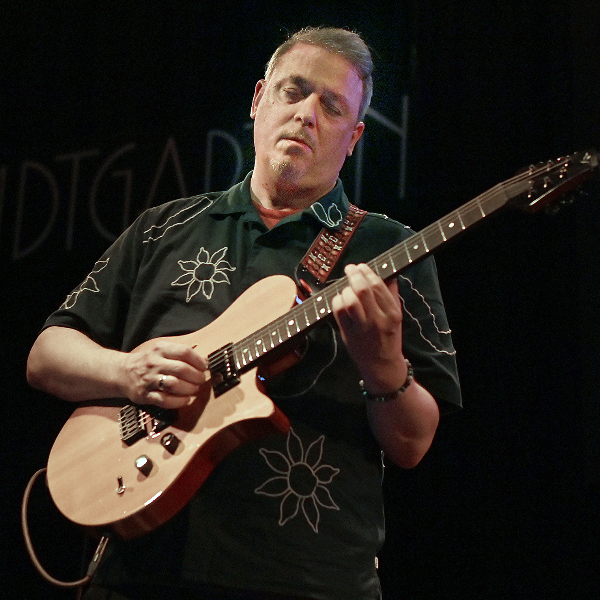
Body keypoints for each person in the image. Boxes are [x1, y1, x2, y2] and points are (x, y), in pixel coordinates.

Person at [27, 26, 461, 600]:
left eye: (332, 107)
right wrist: (125, 371)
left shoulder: (390, 250)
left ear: (354, 136)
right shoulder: (163, 227)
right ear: (259, 100)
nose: (306, 114)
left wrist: (384, 368)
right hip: (139, 571)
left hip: (307, 580)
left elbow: (413, 444)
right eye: (293, 91)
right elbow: (46, 355)